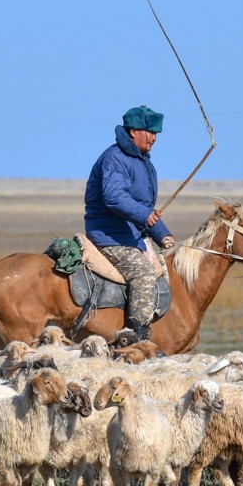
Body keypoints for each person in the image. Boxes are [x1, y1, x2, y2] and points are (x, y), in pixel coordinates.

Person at [84, 105, 175, 344]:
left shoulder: (143, 162)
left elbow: (141, 208)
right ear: (134, 132)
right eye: (150, 131)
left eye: (156, 133)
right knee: (143, 272)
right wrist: (146, 216)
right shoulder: (116, 158)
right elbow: (114, 197)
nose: (154, 137)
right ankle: (137, 338)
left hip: (129, 235)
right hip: (110, 236)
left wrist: (162, 234)